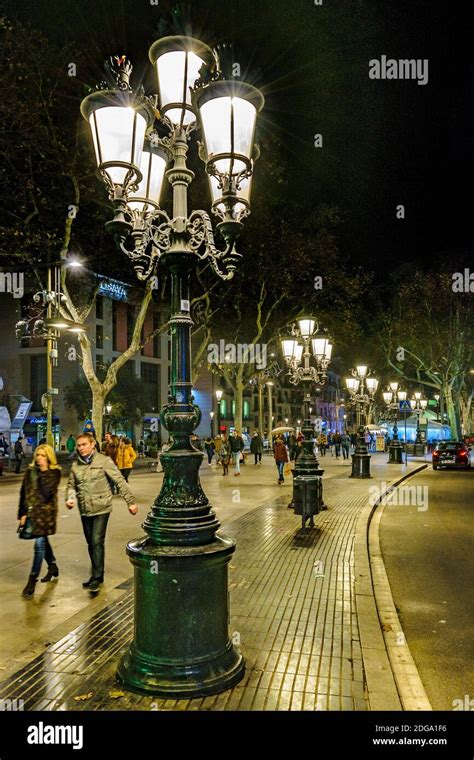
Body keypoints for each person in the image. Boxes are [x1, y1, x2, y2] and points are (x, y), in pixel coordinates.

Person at [66, 433, 138, 592]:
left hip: (102, 507)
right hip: (85, 509)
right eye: (79, 445)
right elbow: (71, 485)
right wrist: (70, 498)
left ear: (92, 445)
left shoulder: (104, 461)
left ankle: (97, 577)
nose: (81, 448)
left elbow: (119, 480)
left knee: (97, 540)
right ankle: (97, 573)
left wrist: (130, 502)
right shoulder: (75, 465)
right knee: (91, 542)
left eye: (84, 444)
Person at [17, 444, 61, 597]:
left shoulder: (54, 473)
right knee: (43, 542)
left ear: (49, 457)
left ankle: (32, 580)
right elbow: (23, 493)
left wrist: (43, 471)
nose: (40, 458)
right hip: (31, 514)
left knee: (39, 545)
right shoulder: (30, 472)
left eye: (43, 456)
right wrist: (22, 514)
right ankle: (53, 566)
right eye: (38, 455)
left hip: (45, 515)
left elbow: (47, 493)